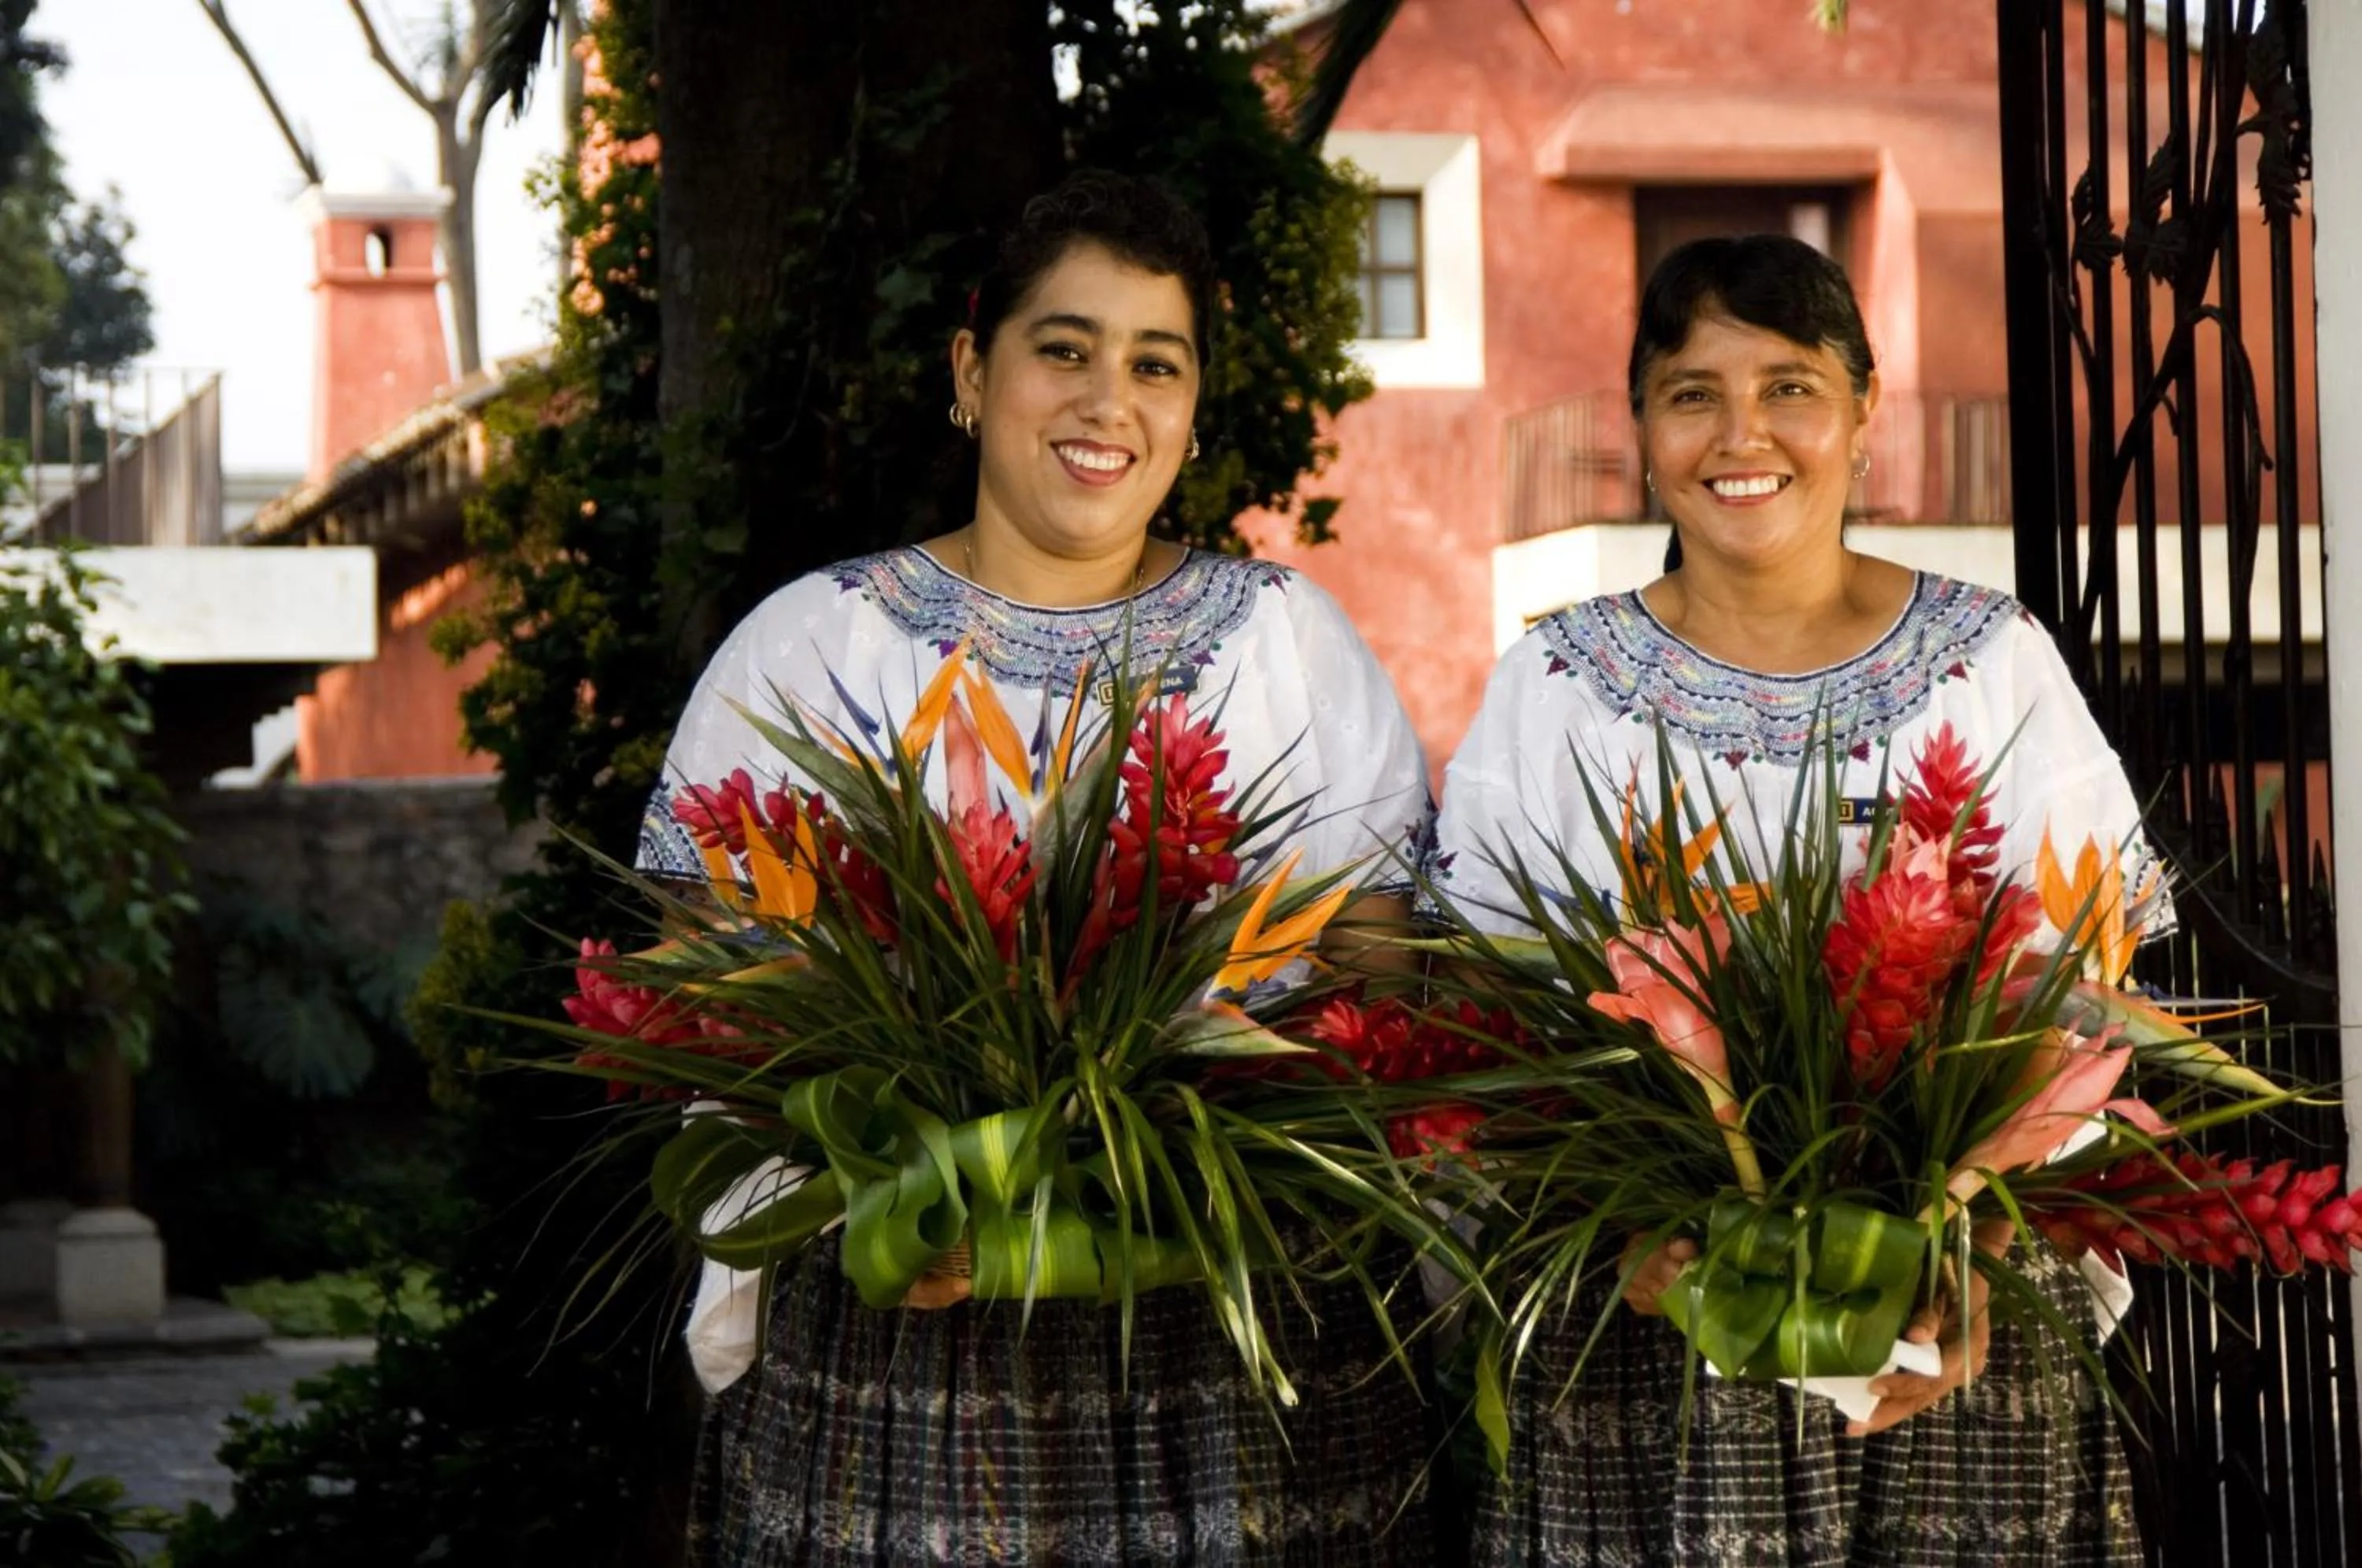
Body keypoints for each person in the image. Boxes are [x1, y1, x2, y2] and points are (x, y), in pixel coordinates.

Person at [636, 169, 1438, 1566]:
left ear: (1191, 408)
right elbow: (699, 980)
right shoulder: (815, 644)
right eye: (1062, 349)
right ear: (971, 369)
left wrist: (1231, 1143)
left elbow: (1381, 985)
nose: (1105, 402)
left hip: (1237, 1340)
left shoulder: (1284, 642)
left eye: (1153, 363)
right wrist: (880, 1178)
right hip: (905, 1334)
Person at [1431, 234, 2165, 1566]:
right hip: (1650, 1353)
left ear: (1865, 410)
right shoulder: (1555, 685)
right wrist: (1619, 1240)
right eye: (1692, 391)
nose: (1742, 432)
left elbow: (2091, 996)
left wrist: (1977, 1247)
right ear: (1642, 426)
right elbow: (1485, 1027)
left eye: (1791, 385)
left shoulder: (1991, 664)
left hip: (1947, 1343)